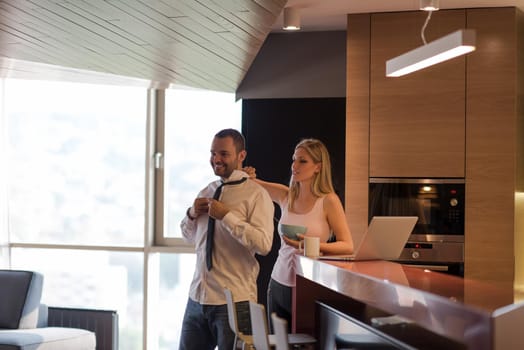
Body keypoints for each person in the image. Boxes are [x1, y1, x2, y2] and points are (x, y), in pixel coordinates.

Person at [243, 138, 354, 331]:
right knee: (279, 344)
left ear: (318, 167)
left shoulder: (329, 201)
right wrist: (246, 175)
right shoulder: (286, 196)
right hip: (277, 283)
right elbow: (251, 184)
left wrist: (312, 246)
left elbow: (347, 245)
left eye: (302, 161)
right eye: (294, 159)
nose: (294, 165)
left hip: (308, 286)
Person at [179, 128, 275, 350]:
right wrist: (191, 214)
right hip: (197, 299)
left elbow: (264, 244)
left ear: (241, 156)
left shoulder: (256, 195)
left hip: (236, 302)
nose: (216, 160)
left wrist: (227, 217)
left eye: (223, 154)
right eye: (213, 153)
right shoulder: (206, 191)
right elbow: (188, 238)